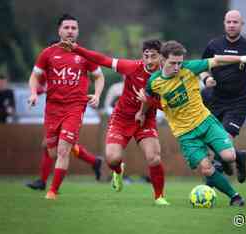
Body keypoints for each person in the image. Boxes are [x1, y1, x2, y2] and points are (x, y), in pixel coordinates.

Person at [140, 40, 246, 206]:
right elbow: (147, 98)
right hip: (185, 134)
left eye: (179, 63)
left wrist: (245, 59)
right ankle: (235, 197)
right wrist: (141, 113)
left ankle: (238, 157)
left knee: (228, 156)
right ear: (162, 61)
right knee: (206, 168)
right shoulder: (154, 82)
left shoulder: (190, 68)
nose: (177, 67)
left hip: (206, 122)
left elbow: (217, 60)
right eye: (173, 63)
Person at [59, 39, 169, 205]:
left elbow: (169, 107)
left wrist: (150, 102)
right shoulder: (132, 67)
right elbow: (103, 59)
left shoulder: (166, 77)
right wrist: (76, 49)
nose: (149, 61)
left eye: (153, 56)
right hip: (122, 119)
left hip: (146, 121)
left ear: (161, 57)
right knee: (112, 159)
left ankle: (159, 197)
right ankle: (118, 171)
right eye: (146, 56)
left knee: (154, 158)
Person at [28, 14, 105, 200]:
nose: (70, 31)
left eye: (74, 28)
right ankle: (94, 161)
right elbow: (34, 76)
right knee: (52, 150)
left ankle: (52, 191)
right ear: (59, 30)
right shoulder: (48, 53)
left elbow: (99, 76)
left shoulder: (85, 54)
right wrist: (32, 93)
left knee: (63, 150)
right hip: (53, 109)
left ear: (77, 31)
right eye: (67, 27)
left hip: (75, 108)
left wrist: (97, 95)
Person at [200, 10, 246, 181]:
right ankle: (238, 157)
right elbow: (202, 68)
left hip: (239, 102)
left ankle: (219, 169)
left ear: (242, 25)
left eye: (235, 22)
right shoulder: (213, 45)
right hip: (214, 99)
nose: (231, 25)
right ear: (224, 23)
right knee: (207, 139)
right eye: (228, 22)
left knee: (222, 139)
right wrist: (207, 78)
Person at [26, 74, 103, 191]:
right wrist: (36, 92)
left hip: (71, 113)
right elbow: (38, 84)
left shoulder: (69, 69)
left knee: (58, 146)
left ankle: (44, 182)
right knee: (65, 147)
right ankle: (94, 161)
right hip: (56, 113)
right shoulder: (50, 68)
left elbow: (91, 78)